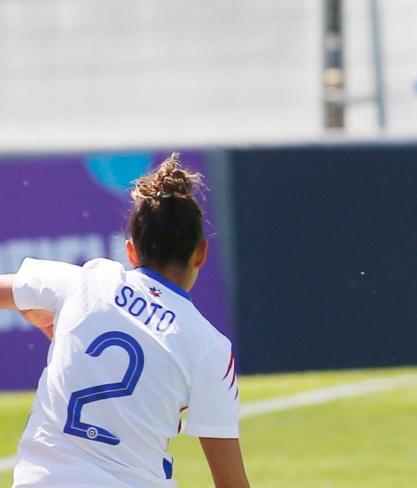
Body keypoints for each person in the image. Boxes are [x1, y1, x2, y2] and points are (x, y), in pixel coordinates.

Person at [0, 153, 250, 487]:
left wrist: (30, 309)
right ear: (201, 252)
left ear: (131, 251)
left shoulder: (88, 281)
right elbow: (230, 481)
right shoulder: (210, 347)